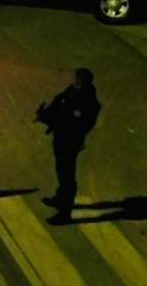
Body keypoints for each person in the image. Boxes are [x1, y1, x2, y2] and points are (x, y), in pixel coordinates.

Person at [37, 68, 102, 223]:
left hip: (70, 140)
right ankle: (60, 198)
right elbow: (59, 108)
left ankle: (65, 211)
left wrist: (66, 124)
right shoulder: (71, 91)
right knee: (61, 170)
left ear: (81, 80)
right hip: (61, 137)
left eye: (76, 77)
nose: (72, 79)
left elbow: (81, 122)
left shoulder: (87, 99)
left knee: (67, 174)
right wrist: (45, 115)